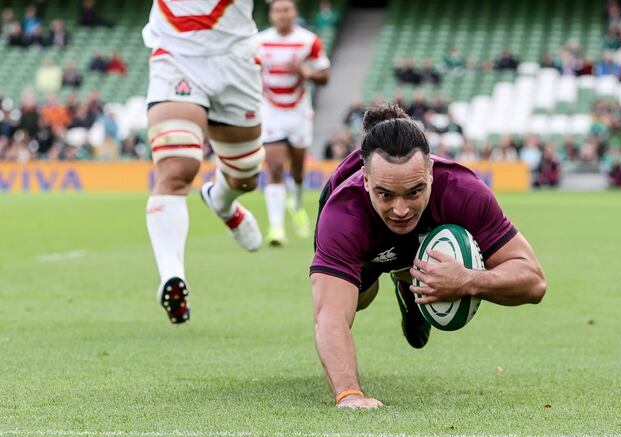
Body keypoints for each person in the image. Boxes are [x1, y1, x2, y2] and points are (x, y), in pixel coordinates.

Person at [310, 105, 547, 408]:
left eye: (414, 191)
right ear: (366, 180)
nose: (400, 209)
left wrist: (468, 280)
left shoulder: (463, 190)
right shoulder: (341, 214)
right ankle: (406, 278)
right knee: (359, 300)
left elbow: (534, 282)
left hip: (425, 235)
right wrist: (350, 394)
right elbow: (329, 316)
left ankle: (411, 281)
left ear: (431, 173)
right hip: (369, 251)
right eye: (385, 194)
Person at [143, 0, 265, 324]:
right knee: (177, 168)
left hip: (236, 59)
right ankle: (172, 277)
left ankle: (221, 202)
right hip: (175, 55)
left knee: (245, 174)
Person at [254, 0, 330, 246]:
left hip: (298, 112)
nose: (283, 15)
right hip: (271, 111)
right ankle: (276, 228)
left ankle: (296, 204)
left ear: (294, 12)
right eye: (278, 10)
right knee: (274, 167)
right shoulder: (259, 42)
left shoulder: (309, 41)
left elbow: (324, 76)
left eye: (287, 10)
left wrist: (306, 72)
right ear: (271, 14)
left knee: (297, 170)